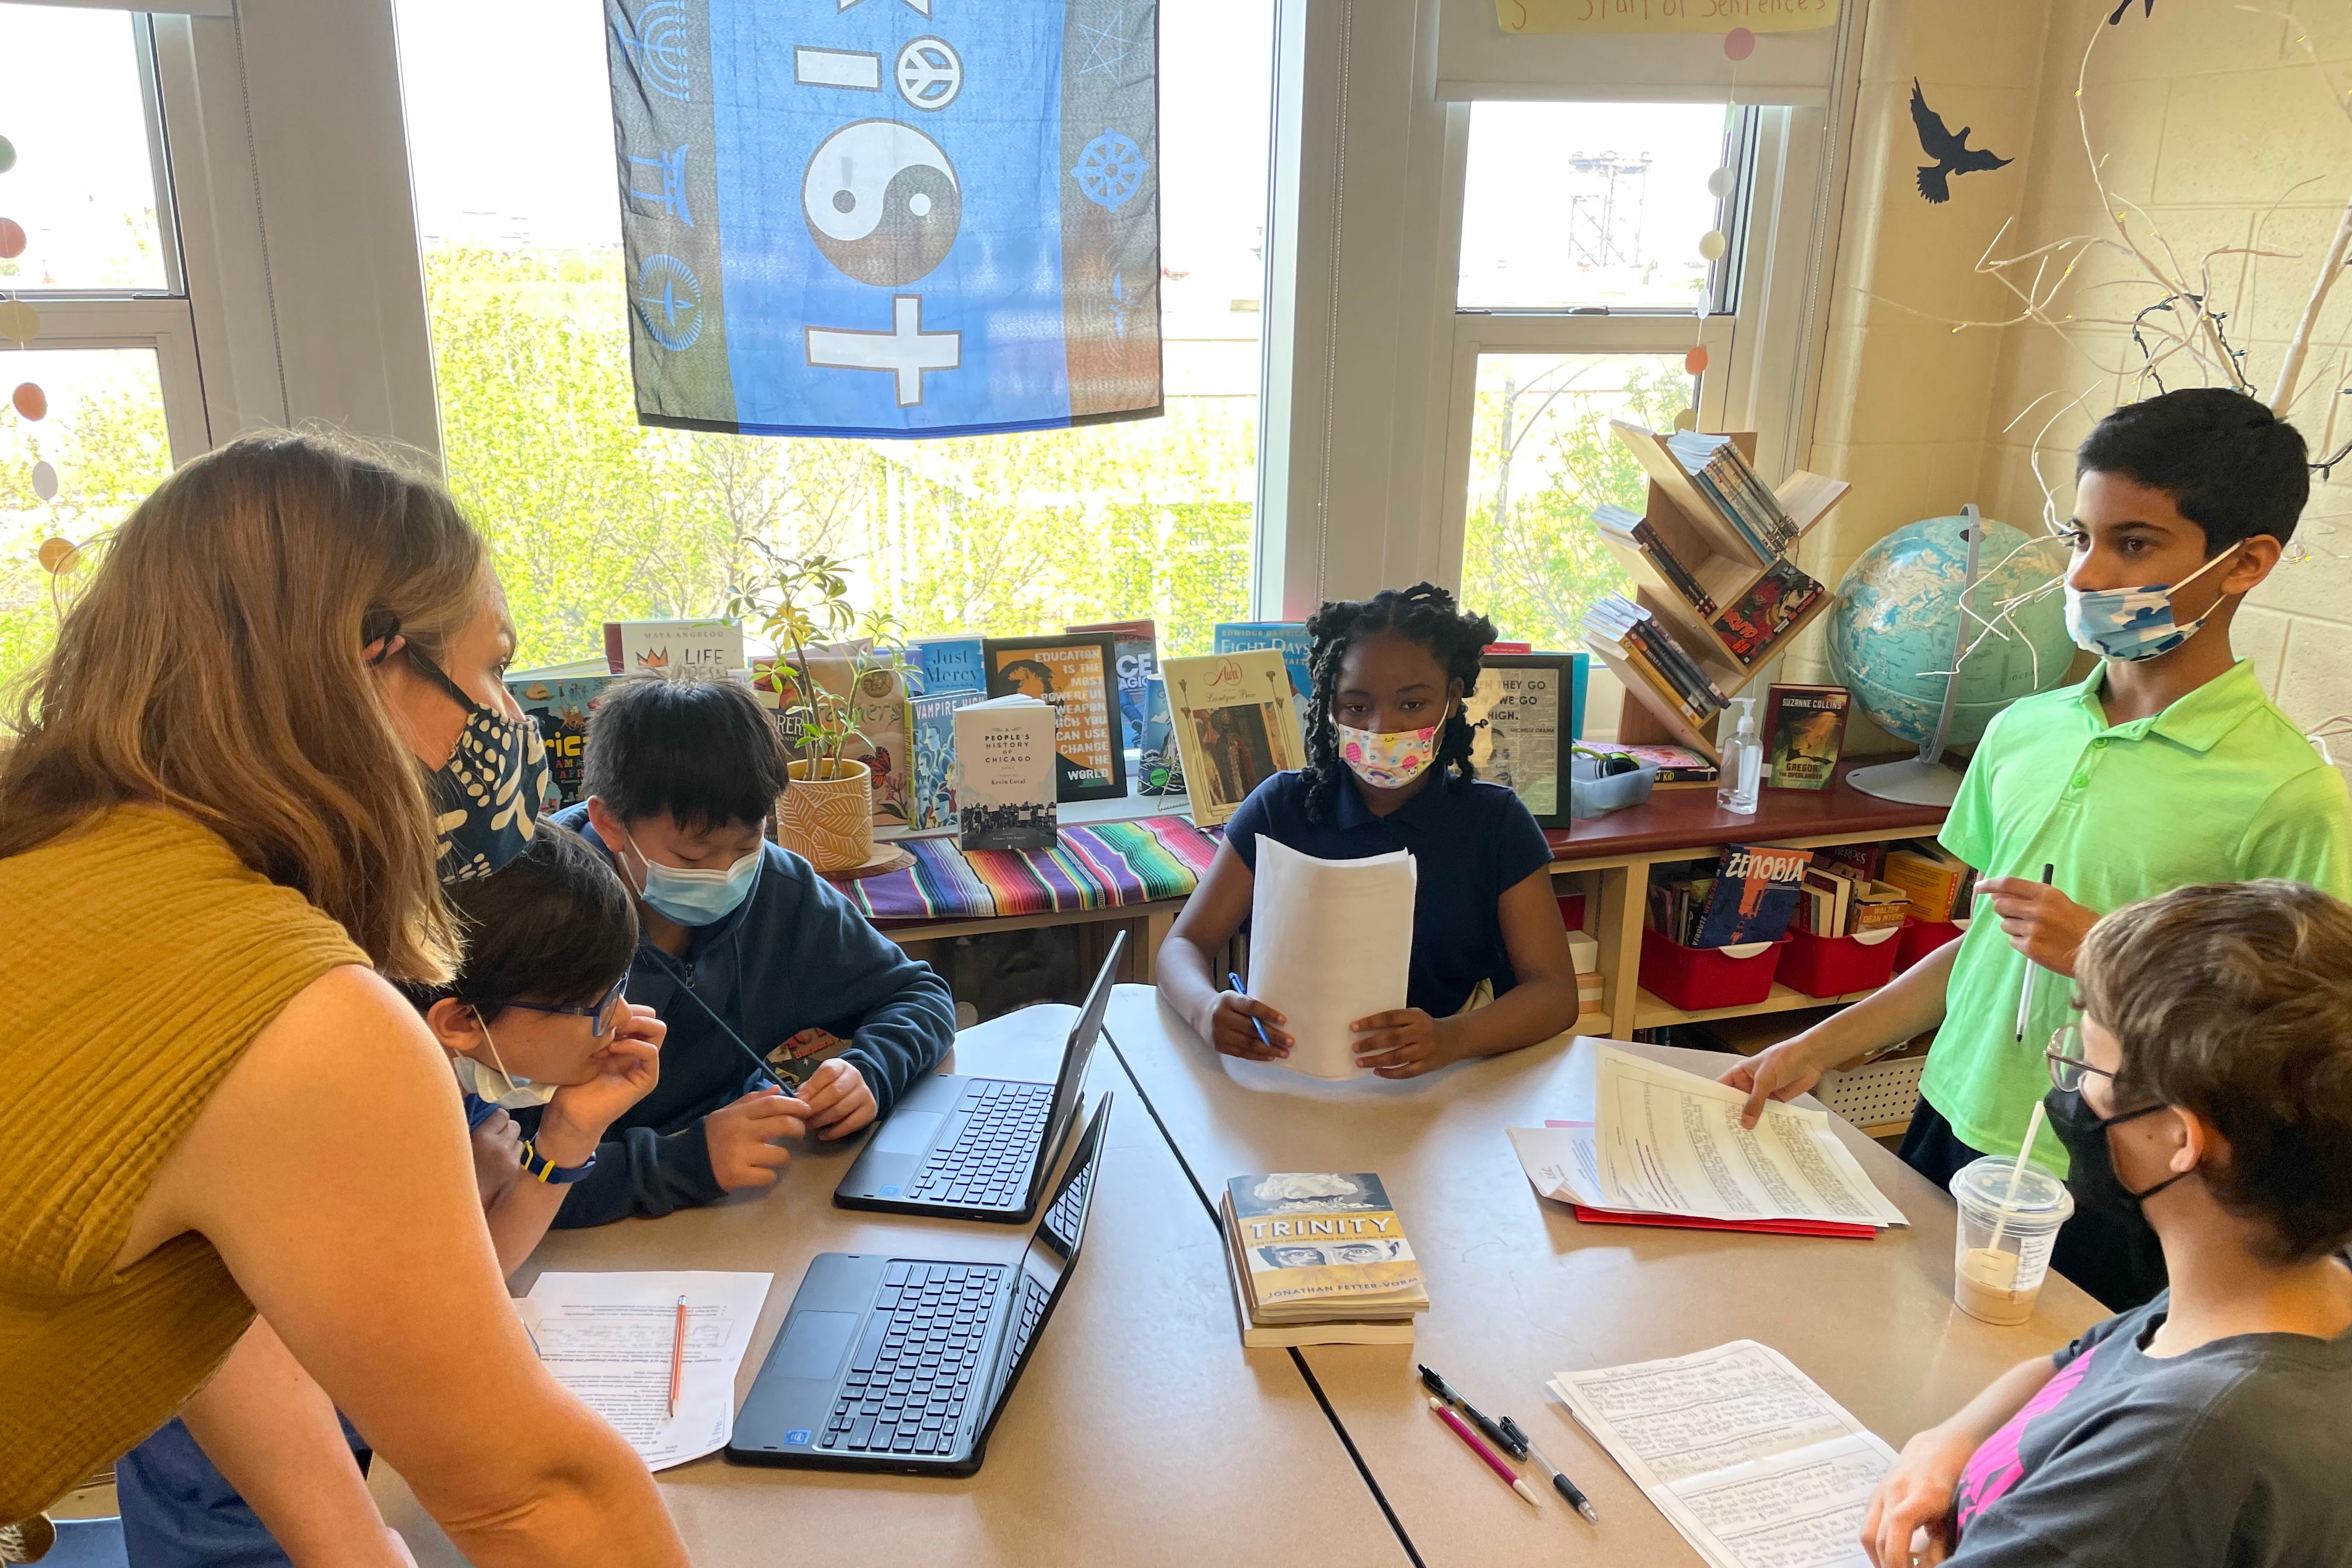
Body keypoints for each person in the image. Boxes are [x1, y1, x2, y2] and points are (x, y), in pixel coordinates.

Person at [0, 433, 685, 1562]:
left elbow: (196, 1285)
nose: (514, 725)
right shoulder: (294, 1008)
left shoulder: (64, 853)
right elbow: (536, 1499)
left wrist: (352, 1543)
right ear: (365, 660)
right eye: (493, 669)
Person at [1724, 388, 2352, 1310]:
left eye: (2134, 544)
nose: (2088, 577)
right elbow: (1981, 944)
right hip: (1951, 1121)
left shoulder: (2289, 794)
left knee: (2040, 1431)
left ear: (2244, 563)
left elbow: (2292, 1056)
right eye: (2080, 538)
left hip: (2119, 1180)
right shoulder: (2023, 731)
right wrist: (1818, 1045)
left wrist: (2104, 952)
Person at [116, 824, 666, 1564]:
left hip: (365, 1458)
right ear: (462, 1021)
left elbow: (448, 1298)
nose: (623, 1024)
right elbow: (400, 1338)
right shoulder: (329, 1116)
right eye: (597, 1007)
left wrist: (565, 1137)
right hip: (245, 1516)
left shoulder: (445, 1068)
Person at [1860, 881, 2352, 1568]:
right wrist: (1947, 1442)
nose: (2072, 1090)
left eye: (2084, 1062)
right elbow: (2077, 1362)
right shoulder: (2274, 1284)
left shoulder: (2174, 1455)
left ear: (2182, 1138)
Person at [544, 676, 956, 1224]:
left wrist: (870, 1071)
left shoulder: (781, 890)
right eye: (693, 858)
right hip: (588, 1232)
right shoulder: (540, 921)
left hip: (739, 1205)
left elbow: (918, 995)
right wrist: (684, 1160)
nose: (725, 873)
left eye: (746, 846)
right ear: (610, 823)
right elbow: (496, 1174)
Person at [1157, 582, 1581, 1077]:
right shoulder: (1280, 809)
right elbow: (1182, 945)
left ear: (1453, 697)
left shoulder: (1497, 823)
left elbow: (1555, 994)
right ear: (1331, 707)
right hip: (1287, 1076)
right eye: (1358, 707)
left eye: (1412, 704)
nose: (1384, 728)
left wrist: (1451, 1039)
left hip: (1443, 1084)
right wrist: (1205, 1008)